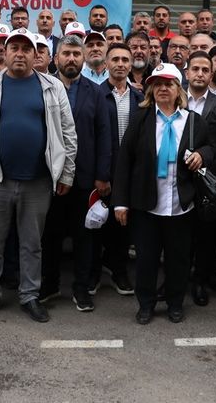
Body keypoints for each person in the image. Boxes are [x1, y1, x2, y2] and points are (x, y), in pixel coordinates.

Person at [0, 28, 76, 324]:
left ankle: (30, 295)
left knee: (32, 244)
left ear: (35, 54)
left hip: (38, 181)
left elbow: (68, 133)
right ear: (3, 53)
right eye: (14, 48)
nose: (19, 53)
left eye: (26, 49)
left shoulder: (53, 87)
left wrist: (66, 173)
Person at [113, 63, 212, 324]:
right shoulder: (141, 119)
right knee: (146, 259)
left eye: (168, 84)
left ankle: (175, 303)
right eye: (157, 84)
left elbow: (211, 147)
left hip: (181, 205)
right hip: (146, 205)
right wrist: (120, 203)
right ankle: (145, 304)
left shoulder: (193, 121)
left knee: (178, 260)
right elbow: (124, 161)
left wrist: (202, 155)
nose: (163, 88)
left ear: (179, 89)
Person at [41, 34, 111, 311]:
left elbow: (104, 135)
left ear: (83, 59)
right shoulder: (43, 87)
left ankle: (81, 289)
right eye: (66, 54)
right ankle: (49, 285)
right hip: (48, 176)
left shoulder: (95, 92)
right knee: (50, 235)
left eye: (76, 54)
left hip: (85, 178)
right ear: (55, 58)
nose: (71, 59)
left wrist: (102, 175)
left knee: (84, 237)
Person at [184, 51, 216, 306]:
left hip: (209, 179)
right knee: (181, 233)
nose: (200, 74)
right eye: (195, 69)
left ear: (211, 74)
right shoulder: (176, 98)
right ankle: (176, 279)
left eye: (205, 70)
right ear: (187, 73)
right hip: (179, 177)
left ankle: (200, 281)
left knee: (206, 235)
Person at [94, 42, 143, 297]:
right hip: (104, 171)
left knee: (123, 226)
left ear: (131, 63)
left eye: (125, 59)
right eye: (115, 59)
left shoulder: (140, 98)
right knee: (98, 226)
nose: (121, 64)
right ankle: (93, 273)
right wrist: (101, 175)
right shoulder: (96, 94)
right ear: (106, 63)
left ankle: (119, 271)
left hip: (130, 174)